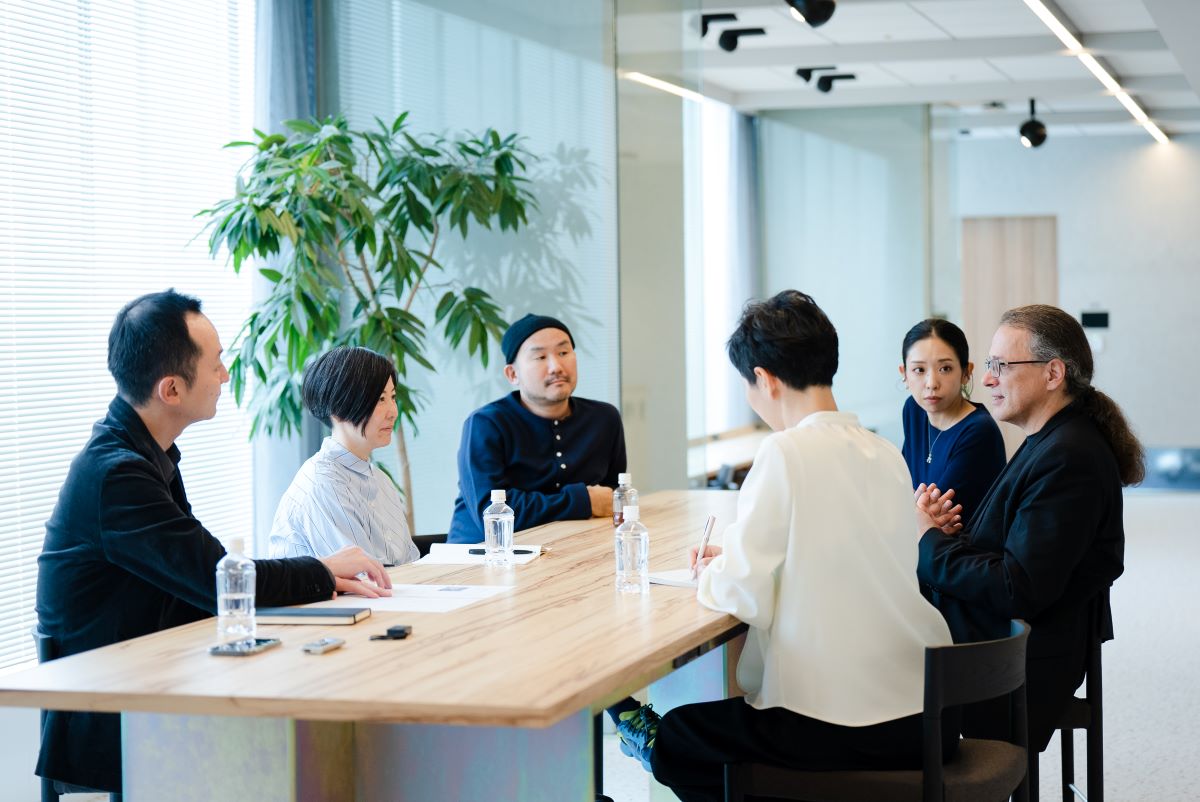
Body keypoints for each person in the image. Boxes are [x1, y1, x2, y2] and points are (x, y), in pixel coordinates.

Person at [35, 290, 392, 794]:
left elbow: (206, 576)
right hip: (116, 712)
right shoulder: (118, 475)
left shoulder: (147, 455)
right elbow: (218, 578)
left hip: (164, 677)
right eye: (217, 363)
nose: (226, 376)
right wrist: (321, 570)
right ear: (171, 389)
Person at [616, 290, 956, 802]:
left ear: (765, 378)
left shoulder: (784, 451)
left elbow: (742, 594)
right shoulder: (885, 451)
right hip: (926, 714)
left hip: (843, 719)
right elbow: (843, 552)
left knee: (681, 737)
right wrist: (740, 558)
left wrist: (711, 572)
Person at [915, 304, 1140, 751]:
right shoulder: (1052, 440)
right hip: (1005, 637)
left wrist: (928, 540)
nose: (988, 379)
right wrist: (944, 534)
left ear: (1053, 373)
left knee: (871, 652)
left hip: (1018, 662)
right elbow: (1009, 550)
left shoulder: (1069, 457)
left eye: (1001, 365)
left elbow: (1016, 588)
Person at [447, 313, 626, 543]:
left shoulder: (604, 418)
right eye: (540, 357)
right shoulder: (486, 424)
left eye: (563, 353)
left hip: (567, 548)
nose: (556, 366)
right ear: (513, 374)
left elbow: (611, 499)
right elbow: (493, 515)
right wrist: (583, 501)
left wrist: (596, 503)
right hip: (482, 554)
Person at [269, 346, 419, 565]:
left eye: (393, 397)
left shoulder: (381, 481)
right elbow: (364, 575)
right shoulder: (323, 484)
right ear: (339, 407)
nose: (393, 412)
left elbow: (409, 564)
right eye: (380, 399)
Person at [899, 318, 1006, 525]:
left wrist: (913, 509)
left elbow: (934, 518)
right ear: (904, 374)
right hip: (921, 537)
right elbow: (903, 489)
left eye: (945, 368)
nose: (931, 383)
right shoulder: (914, 410)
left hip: (964, 543)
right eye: (919, 370)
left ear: (966, 372)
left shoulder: (979, 431)